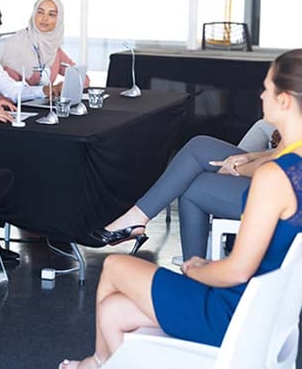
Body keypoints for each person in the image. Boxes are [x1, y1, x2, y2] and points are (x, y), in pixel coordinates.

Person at [60, 49, 302, 368]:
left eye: (267, 88)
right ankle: (99, 361)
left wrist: (197, 269)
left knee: (115, 266)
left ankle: (97, 363)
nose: (261, 95)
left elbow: (238, 270)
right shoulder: (291, 168)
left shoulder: (274, 177)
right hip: (262, 315)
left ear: (284, 100)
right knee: (112, 310)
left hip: (228, 313)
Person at [91, 119, 282, 260]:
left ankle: (193, 270)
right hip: (275, 177)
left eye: (269, 89)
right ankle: (139, 218)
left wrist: (235, 168)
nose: (263, 94)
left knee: (193, 188)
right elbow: (284, 151)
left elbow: (287, 165)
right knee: (199, 146)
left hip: (284, 194)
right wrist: (251, 157)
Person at [0, 0, 89, 88]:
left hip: (43, 102)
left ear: (58, 20)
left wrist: (64, 85)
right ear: (34, 14)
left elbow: (83, 79)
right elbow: (8, 89)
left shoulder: (53, 48)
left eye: (51, 14)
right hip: (16, 101)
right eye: (40, 12)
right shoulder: (16, 42)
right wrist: (45, 91)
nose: (44, 18)